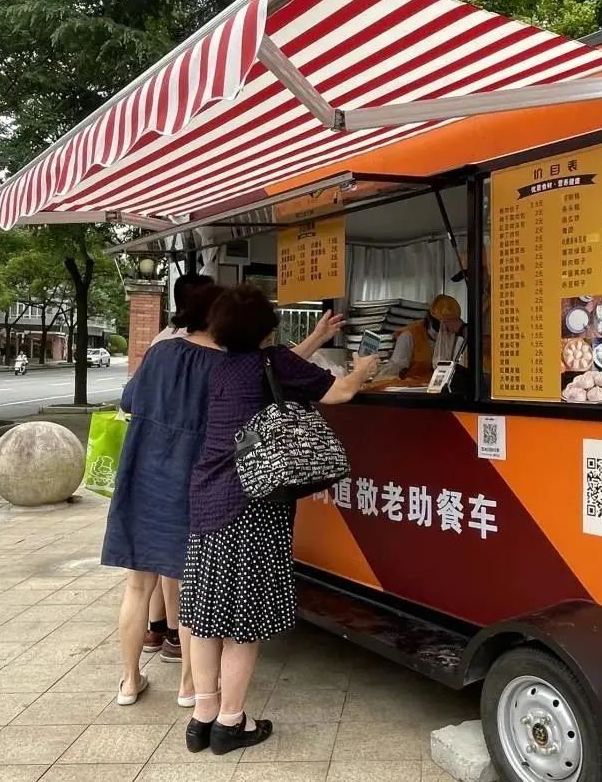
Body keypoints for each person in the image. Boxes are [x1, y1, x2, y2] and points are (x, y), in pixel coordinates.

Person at [181, 284, 378, 755]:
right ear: (266, 329)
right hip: (254, 504)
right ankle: (231, 723)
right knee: (243, 622)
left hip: (208, 499)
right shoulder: (271, 363)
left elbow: (276, 366)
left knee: (207, 616)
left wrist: (315, 338)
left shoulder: (220, 366)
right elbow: (341, 392)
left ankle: (202, 718)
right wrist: (364, 367)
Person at [102, 282, 226, 708]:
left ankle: (129, 681)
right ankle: (188, 686)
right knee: (190, 588)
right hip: (190, 483)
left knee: (137, 587)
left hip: (143, 474)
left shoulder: (159, 353)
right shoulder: (223, 365)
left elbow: (129, 400)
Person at [382, 294, 466, 380]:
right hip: (412, 386)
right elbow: (396, 368)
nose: (447, 328)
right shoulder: (410, 336)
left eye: (451, 323)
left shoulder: (457, 337)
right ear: (431, 319)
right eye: (443, 324)